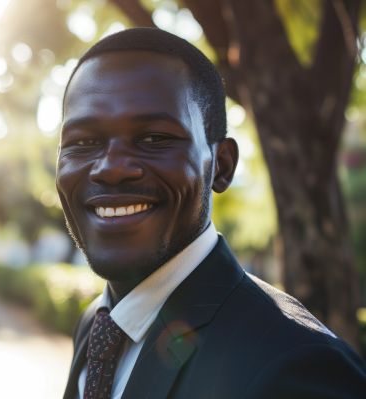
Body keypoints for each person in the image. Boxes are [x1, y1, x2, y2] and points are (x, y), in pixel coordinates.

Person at [57, 28, 366, 399]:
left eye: (154, 139)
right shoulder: (98, 324)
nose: (111, 168)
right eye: (83, 143)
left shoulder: (297, 366)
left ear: (221, 165)